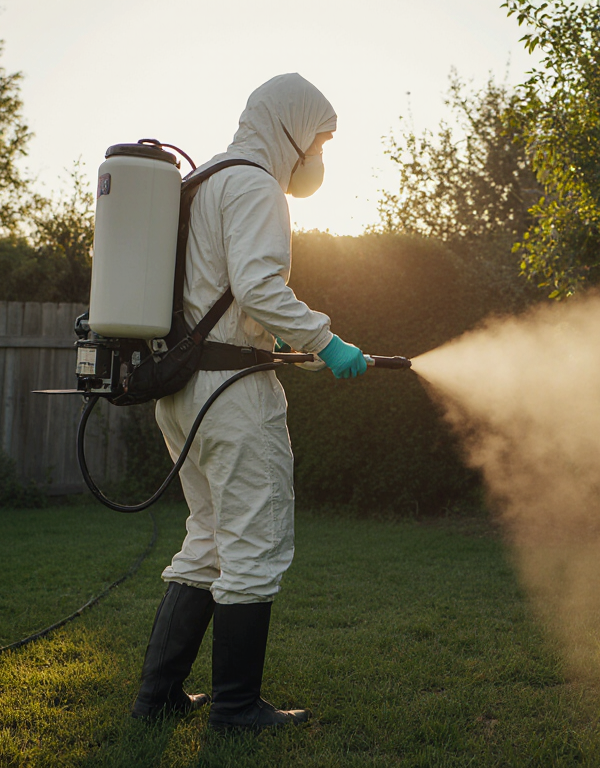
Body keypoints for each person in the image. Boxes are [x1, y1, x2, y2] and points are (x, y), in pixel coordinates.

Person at [129, 73, 367, 731]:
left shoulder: (205, 180)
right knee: (252, 542)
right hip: (230, 398)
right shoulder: (258, 184)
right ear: (290, 128)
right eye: (319, 140)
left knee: (208, 538)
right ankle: (236, 709)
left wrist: (282, 346)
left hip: (182, 392)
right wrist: (330, 341)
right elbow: (258, 288)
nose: (319, 156)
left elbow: (218, 300)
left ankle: (158, 700)